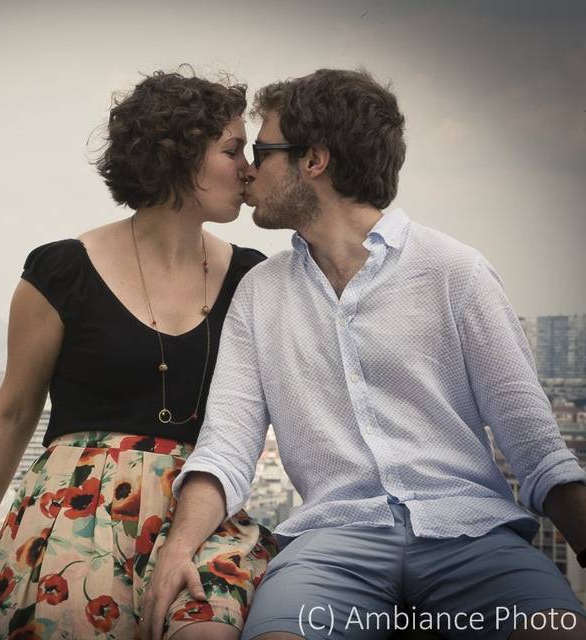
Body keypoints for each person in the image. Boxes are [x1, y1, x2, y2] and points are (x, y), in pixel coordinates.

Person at [142, 68, 586, 640]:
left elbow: (538, 451)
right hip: (333, 547)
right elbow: (227, 446)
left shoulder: (455, 273)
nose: (249, 169)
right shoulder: (260, 293)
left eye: (263, 149)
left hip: (473, 539)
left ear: (314, 160)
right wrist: (177, 551)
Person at [0, 70, 279, 640]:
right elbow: (14, 413)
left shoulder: (251, 276)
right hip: (74, 518)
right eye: (233, 149)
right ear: (178, 156)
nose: (248, 167)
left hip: (201, 514)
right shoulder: (61, 270)